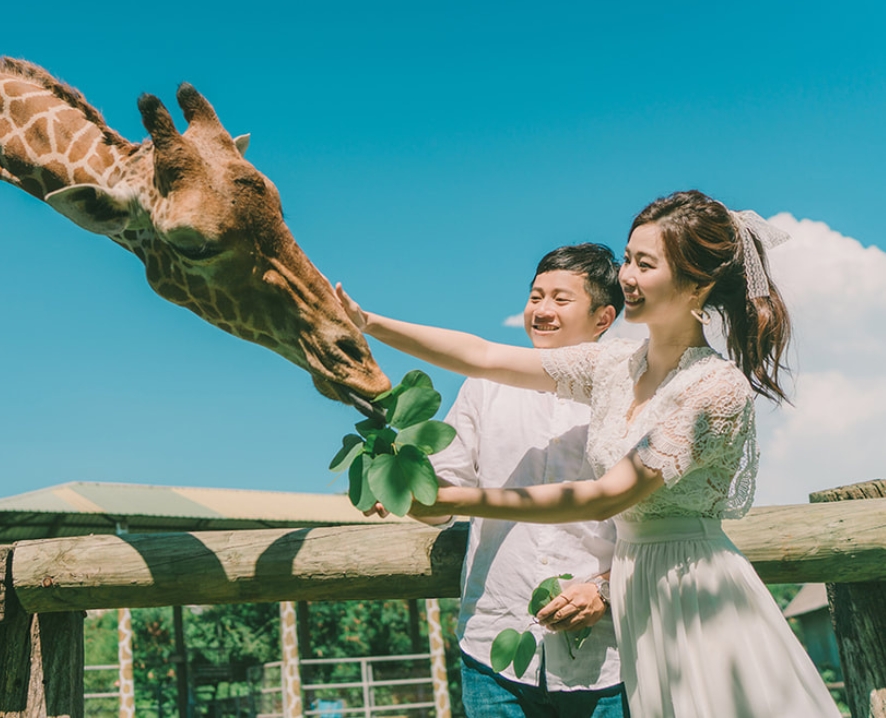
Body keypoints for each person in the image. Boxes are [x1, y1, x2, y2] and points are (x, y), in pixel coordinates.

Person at [338, 191, 839, 717]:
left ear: (699, 283)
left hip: (690, 595)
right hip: (634, 598)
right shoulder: (615, 366)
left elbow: (604, 499)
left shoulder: (714, 389)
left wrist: (458, 497)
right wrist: (367, 321)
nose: (627, 276)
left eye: (645, 264)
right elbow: (482, 356)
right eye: (628, 259)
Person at [418, 243, 630, 718]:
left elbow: (652, 516)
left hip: (605, 656)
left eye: (561, 299)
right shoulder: (483, 387)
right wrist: (401, 487)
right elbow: (440, 501)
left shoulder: (630, 394)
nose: (542, 311)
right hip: (491, 647)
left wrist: (605, 590)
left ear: (603, 318)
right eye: (536, 297)